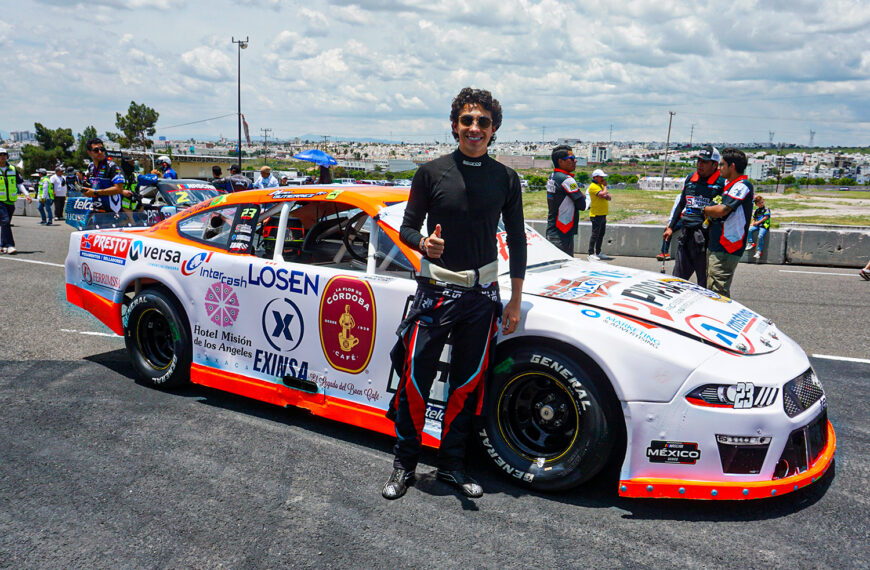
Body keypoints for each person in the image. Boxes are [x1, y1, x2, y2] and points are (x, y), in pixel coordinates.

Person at [383, 87, 526, 501]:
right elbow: (407, 228)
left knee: (466, 384)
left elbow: (517, 241)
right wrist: (423, 244)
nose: (474, 128)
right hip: (434, 295)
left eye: (483, 121)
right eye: (467, 120)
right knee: (414, 382)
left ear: (494, 129)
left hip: (482, 298)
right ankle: (404, 465)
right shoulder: (430, 173)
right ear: (454, 126)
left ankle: (451, 466)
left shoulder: (505, 178)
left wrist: (515, 299)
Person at [662, 145, 725, 285]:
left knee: (705, 283)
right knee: (676, 280)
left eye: (704, 162)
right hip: (686, 235)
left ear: (715, 165)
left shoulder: (721, 182)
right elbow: (681, 204)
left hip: (706, 238)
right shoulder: (691, 179)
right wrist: (671, 227)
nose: (700, 165)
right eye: (698, 161)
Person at [703, 148, 754, 297]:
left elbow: (723, 210)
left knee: (717, 290)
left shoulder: (742, 185)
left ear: (732, 166)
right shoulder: (729, 184)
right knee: (713, 286)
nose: (719, 168)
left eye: (722, 165)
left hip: (727, 246)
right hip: (719, 243)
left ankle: (718, 318)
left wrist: (703, 209)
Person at [545, 145, 585, 256]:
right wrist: (582, 195)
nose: (575, 161)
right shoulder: (567, 180)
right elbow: (582, 205)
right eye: (571, 159)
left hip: (552, 230)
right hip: (563, 232)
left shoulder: (552, 176)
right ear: (561, 162)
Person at [80, 138, 133, 213]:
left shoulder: (112, 166)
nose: (100, 152)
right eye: (96, 150)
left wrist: (95, 192)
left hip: (112, 212)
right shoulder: (90, 166)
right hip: (96, 210)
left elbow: (119, 189)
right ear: (89, 152)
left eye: (102, 149)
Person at [0, 147, 32, 254]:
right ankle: (10, 245)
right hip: (0, 201)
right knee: (5, 221)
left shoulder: (13, 169)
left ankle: (2, 245)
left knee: (6, 223)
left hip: (10, 201)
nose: (3, 157)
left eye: (4, 155)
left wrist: (27, 194)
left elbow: (19, 183)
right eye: (0, 155)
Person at [587, 168, 612, 261]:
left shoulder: (599, 185)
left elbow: (608, 197)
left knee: (601, 234)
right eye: (601, 177)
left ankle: (598, 252)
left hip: (603, 213)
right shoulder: (593, 186)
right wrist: (605, 187)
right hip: (596, 214)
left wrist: (606, 194)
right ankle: (590, 253)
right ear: (595, 177)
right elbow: (603, 194)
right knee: (595, 234)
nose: (603, 179)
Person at [745, 194, 771, 260]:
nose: (761, 204)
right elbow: (754, 218)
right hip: (758, 225)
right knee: (750, 230)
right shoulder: (757, 211)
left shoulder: (766, 209)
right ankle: (751, 243)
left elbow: (765, 217)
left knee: (760, 236)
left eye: (762, 202)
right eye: (759, 203)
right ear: (756, 204)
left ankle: (759, 251)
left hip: (764, 226)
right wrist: (752, 223)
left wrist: (757, 222)